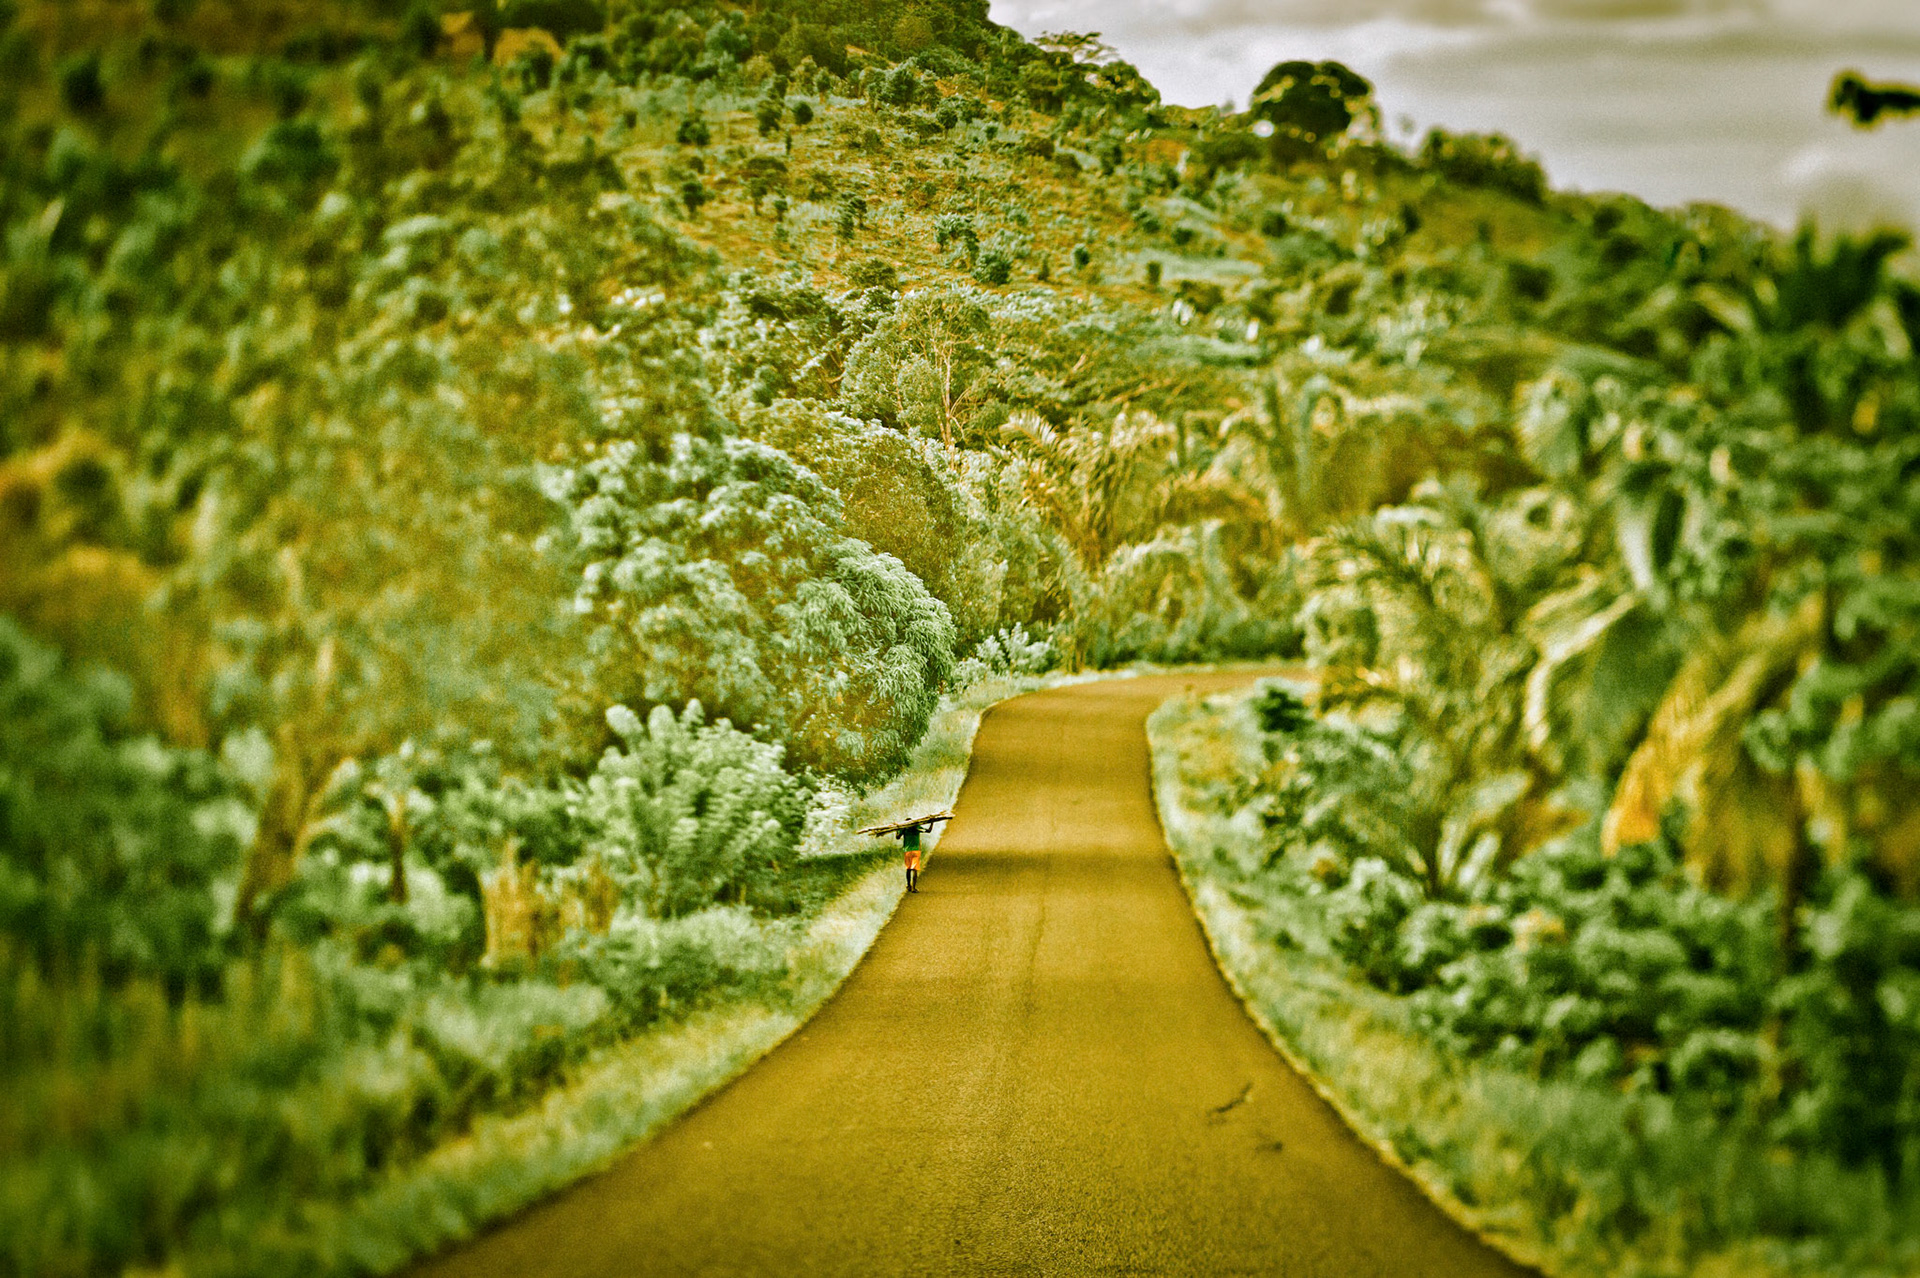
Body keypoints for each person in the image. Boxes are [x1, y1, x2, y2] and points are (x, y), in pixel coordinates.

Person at [899, 821, 927, 892]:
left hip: (907, 851)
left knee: (908, 869)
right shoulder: (917, 827)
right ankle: (914, 888)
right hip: (916, 851)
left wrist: (898, 829)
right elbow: (928, 831)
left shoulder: (904, 828)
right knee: (915, 869)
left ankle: (909, 885)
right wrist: (932, 823)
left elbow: (897, 837)